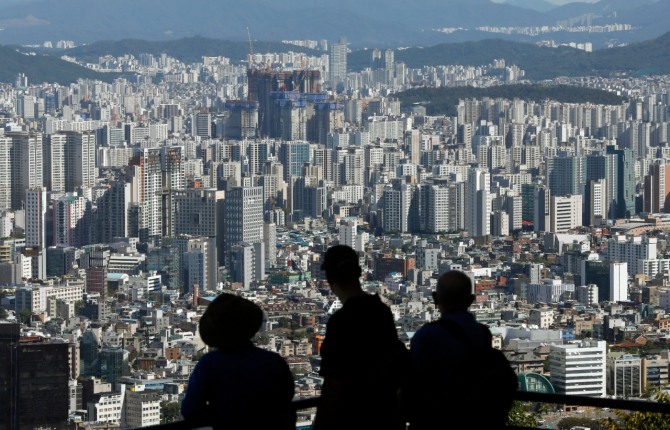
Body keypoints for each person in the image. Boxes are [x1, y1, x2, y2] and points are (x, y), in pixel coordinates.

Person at [403, 270, 514, 429]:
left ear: (435, 298)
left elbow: (413, 391)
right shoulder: (483, 333)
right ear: (471, 300)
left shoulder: (426, 336)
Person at [314, 245, 406, 430]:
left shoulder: (341, 321)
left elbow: (334, 384)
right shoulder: (382, 311)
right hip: (384, 414)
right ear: (359, 273)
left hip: (353, 417)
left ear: (330, 279)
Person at [181, 293, 295, 430]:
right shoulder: (273, 361)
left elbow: (191, 409)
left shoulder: (210, 364)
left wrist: (221, 415)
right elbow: (286, 397)